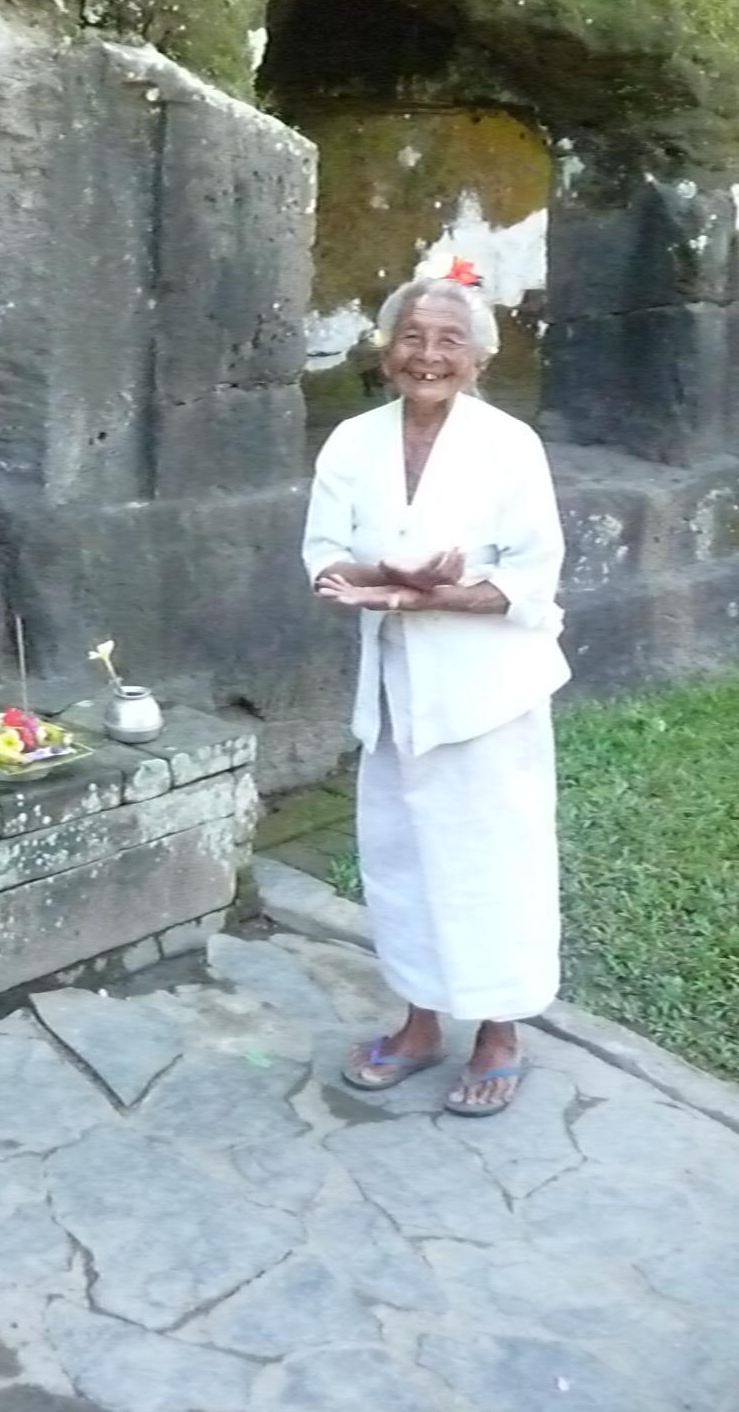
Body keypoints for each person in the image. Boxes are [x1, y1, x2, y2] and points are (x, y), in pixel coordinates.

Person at [302, 261, 570, 1117]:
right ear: (386, 351)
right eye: (411, 337)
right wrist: (383, 576)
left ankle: (499, 1034)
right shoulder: (353, 443)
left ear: (479, 357)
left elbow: (533, 578)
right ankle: (419, 1026)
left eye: (450, 340)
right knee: (403, 857)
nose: (428, 355)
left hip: (490, 693)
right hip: (394, 691)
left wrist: (439, 596)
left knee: (495, 861)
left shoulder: (510, 446)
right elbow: (322, 559)